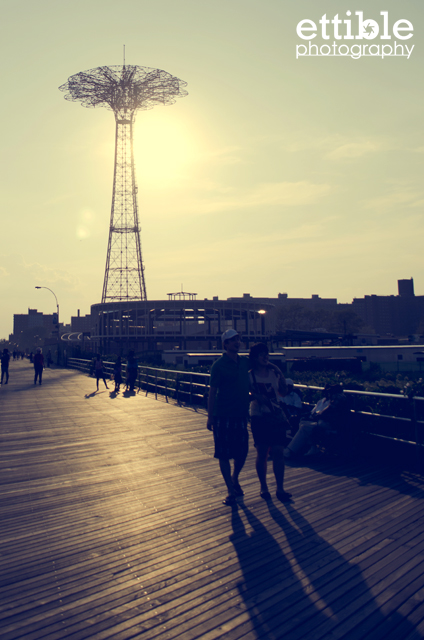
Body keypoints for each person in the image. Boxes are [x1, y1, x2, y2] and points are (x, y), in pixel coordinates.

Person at [207, 329, 250, 506]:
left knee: (243, 451)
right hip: (223, 414)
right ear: (225, 344)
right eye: (233, 340)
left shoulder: (245, 362)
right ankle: (230, 490)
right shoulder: (218, 365)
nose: (237, 343)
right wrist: (210, 417)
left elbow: (264, 363)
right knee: (223, 453)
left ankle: (235, 477)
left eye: (238, 339)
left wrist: (276, 370)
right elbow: (212, 392)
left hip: (240, 414)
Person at [249, 343, 292, 502]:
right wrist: (254, 396)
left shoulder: (274, 373)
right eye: (261, 354)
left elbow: (283, 393)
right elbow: (245, 394)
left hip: (275, 415)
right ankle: (264, 487)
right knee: (262, 452)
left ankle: (280, 488)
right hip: (258, 416)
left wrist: (280, 373)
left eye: (266, 354)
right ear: (255, 357)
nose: (265, 357)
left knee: (278, 451)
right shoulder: (250, 376)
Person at [285, 384, 348, 458]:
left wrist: (318, 415)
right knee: (303, 424)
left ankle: (291, 450)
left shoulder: (337, 398)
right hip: (328, 423)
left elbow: (327, 411)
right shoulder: (338, 398)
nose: (327, 393)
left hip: (331, 425)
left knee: (305, 426)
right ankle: (309, 447)